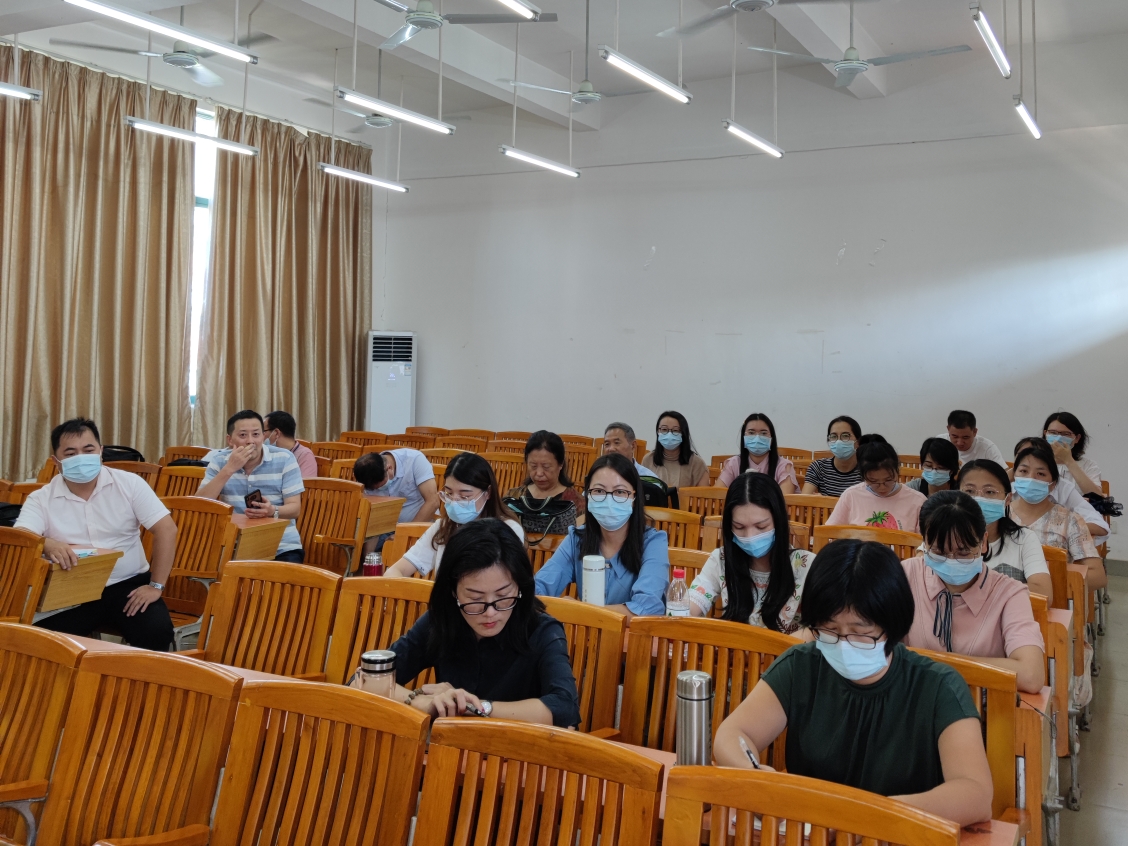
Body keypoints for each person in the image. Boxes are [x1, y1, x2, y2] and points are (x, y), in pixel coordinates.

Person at [713, 540, 993, 827]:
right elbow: (732, 734)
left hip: (898, 834)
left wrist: (867, 817)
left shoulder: (937, 687)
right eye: (829, 630)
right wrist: (758, 779)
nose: (843, 644)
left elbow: (975, 794)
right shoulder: (802, 666)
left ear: (892, 625)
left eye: (861, 632)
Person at [388, 519, 581, 727]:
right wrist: (422, 702)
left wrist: (475, 708)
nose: (490, 612)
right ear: (453, 591)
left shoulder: (541, 630)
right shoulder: (442, 619)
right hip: (448, 745)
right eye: (475, 598)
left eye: (503, 596)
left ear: (520, 586)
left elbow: (564, 708)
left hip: (516, 746)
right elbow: (369, 678)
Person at [15, 418, 176, 651]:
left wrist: (156, 586)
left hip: (127, 586)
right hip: (70, 591)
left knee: (156, 632)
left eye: (88, 450)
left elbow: (166, 529)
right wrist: (46, 543)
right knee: (38, 643)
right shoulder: (41, 499)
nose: (81, 458)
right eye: (71, 453)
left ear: (100, 452)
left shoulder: (129, 484)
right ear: (56, 462)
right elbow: (21, 539)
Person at [902, 491, 1045, 694]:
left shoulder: (1009, 594)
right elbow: (877, 645)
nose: (951, 560)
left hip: (983, 710)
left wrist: (934, 665)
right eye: (939, 552)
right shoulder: (906, 575)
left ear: (983, 542)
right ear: (924, 543)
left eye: (963, 552)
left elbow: (1031, 675)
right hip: (915, 702)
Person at [534, 453, 670, 620]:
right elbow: (538, 590)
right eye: (599, 491)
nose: (608, 500)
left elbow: (647, 608)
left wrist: (579, 610)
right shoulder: (576, 538)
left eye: (620, 492)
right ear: (588, 496)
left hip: (634, 636)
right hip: (586, 634)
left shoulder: (653, 542)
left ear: (634, 498)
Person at [688, 473, 814, 633]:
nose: (750, 537)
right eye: (739, 527)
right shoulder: (722, 559)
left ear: (779, 521)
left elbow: (822, 629)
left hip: (786, 649)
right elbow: (692, 603)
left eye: (761, 527)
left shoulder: (807, 566)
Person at [383, 452, 524, 579]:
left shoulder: (509, 529)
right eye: (449, 494)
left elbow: (503, 585)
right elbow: (397, 570)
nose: (454, 502)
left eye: (465, 496)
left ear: (488, 493)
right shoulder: (444, 527)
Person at [198, 410, 305, 562]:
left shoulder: (285, 458)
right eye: (243, 435)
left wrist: (272, 511)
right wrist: (229, 469)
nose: (250, 441)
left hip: (281, 546)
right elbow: (200, 504)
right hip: (233, 546)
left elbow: (295, 509)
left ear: (263, 436)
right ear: (230, 440)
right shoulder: (219, 461)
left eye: (256, 434)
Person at [1008, 444, 1106, 590]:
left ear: (1053, 484)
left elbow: (1097, 577)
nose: (1031, 478)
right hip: (999, 600)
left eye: (1041, 474)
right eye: (1023, 471)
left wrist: (1044, 583)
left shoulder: (1070, 521)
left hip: (1050, 600)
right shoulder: (999, 515)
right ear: (1014, 477)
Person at [957, 460, 1053, 603]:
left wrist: (980, 592)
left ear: (1007, 499)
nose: (978, 499)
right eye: (969, 491)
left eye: (990, 492)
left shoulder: (1024, 539)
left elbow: (1043, 593)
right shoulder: (941, 533)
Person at [1012, 437, 1108, 546]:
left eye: (1040, 473)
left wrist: (1061, 527)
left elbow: (1100, 526)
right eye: (1023, 455)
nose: (1031, 477)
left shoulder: (1064, 488)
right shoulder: (1005, 487)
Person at [353, 447, 440, 553]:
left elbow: (433, 502)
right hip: (385, 528)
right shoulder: (368, 474)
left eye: (380, 487)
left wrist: (404, 533)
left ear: (389, 468)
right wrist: (368, 557)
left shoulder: (414, 460)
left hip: (419, 524)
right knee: (357, 547)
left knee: (400, 551)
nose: (378, 490)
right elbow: (374, 517)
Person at [826, 441, 926, 532]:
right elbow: (829, 533)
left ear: (897, 470)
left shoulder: (917, 501)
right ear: (863, 477)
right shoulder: (851, 495)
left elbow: (925, 543)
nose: (882, 487)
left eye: (888, 480)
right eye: (873, 482)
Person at [505, 431, 585, 537]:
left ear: (560, 464)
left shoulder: (577, 503)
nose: (539, 473)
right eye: (533, 466)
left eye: (546, 467)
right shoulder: (513, 497)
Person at [716, 413, 798, 493]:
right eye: (751, 433)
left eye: (763, 433)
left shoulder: (784, 466)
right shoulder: (733, 463)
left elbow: (785, 499)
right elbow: (717, 495)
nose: (757, 438)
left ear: (771, 438)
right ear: (744, 437)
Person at [641, 411, 710, 489]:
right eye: (664, 429)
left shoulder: (697, 463)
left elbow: (703, 495)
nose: (669, 434)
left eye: (675, 430)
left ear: (683, 433)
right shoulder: (648, 460)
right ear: (658, 431)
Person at [1043, 412, 1102, 496]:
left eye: (1065, 434)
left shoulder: (1089, 465)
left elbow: (1097, 497)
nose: (1058, 438)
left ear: (1077, 438)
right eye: (1053, 433)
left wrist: (1068, 460)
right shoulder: (1036, 462)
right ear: (1045, 434)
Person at [802, 416, 863, 497]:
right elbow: (804, 499)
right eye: (833, 436)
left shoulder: (867, 469)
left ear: (858, 442)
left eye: (845, 436)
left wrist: (825, 501)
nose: (839, 441)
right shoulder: (818, 467)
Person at [938, 410, 1006, 465]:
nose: (959, 443)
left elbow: (1005, 473)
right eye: (955, 436)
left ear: (975, 432)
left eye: (965, 437)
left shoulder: (987, 448)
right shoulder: (939, 443)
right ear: (948, 429)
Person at [262, 410, 317, 478]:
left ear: (276, 433)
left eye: (263, 431)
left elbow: (305, 484)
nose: (261, 436)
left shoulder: (304, 455)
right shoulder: (268, 454)